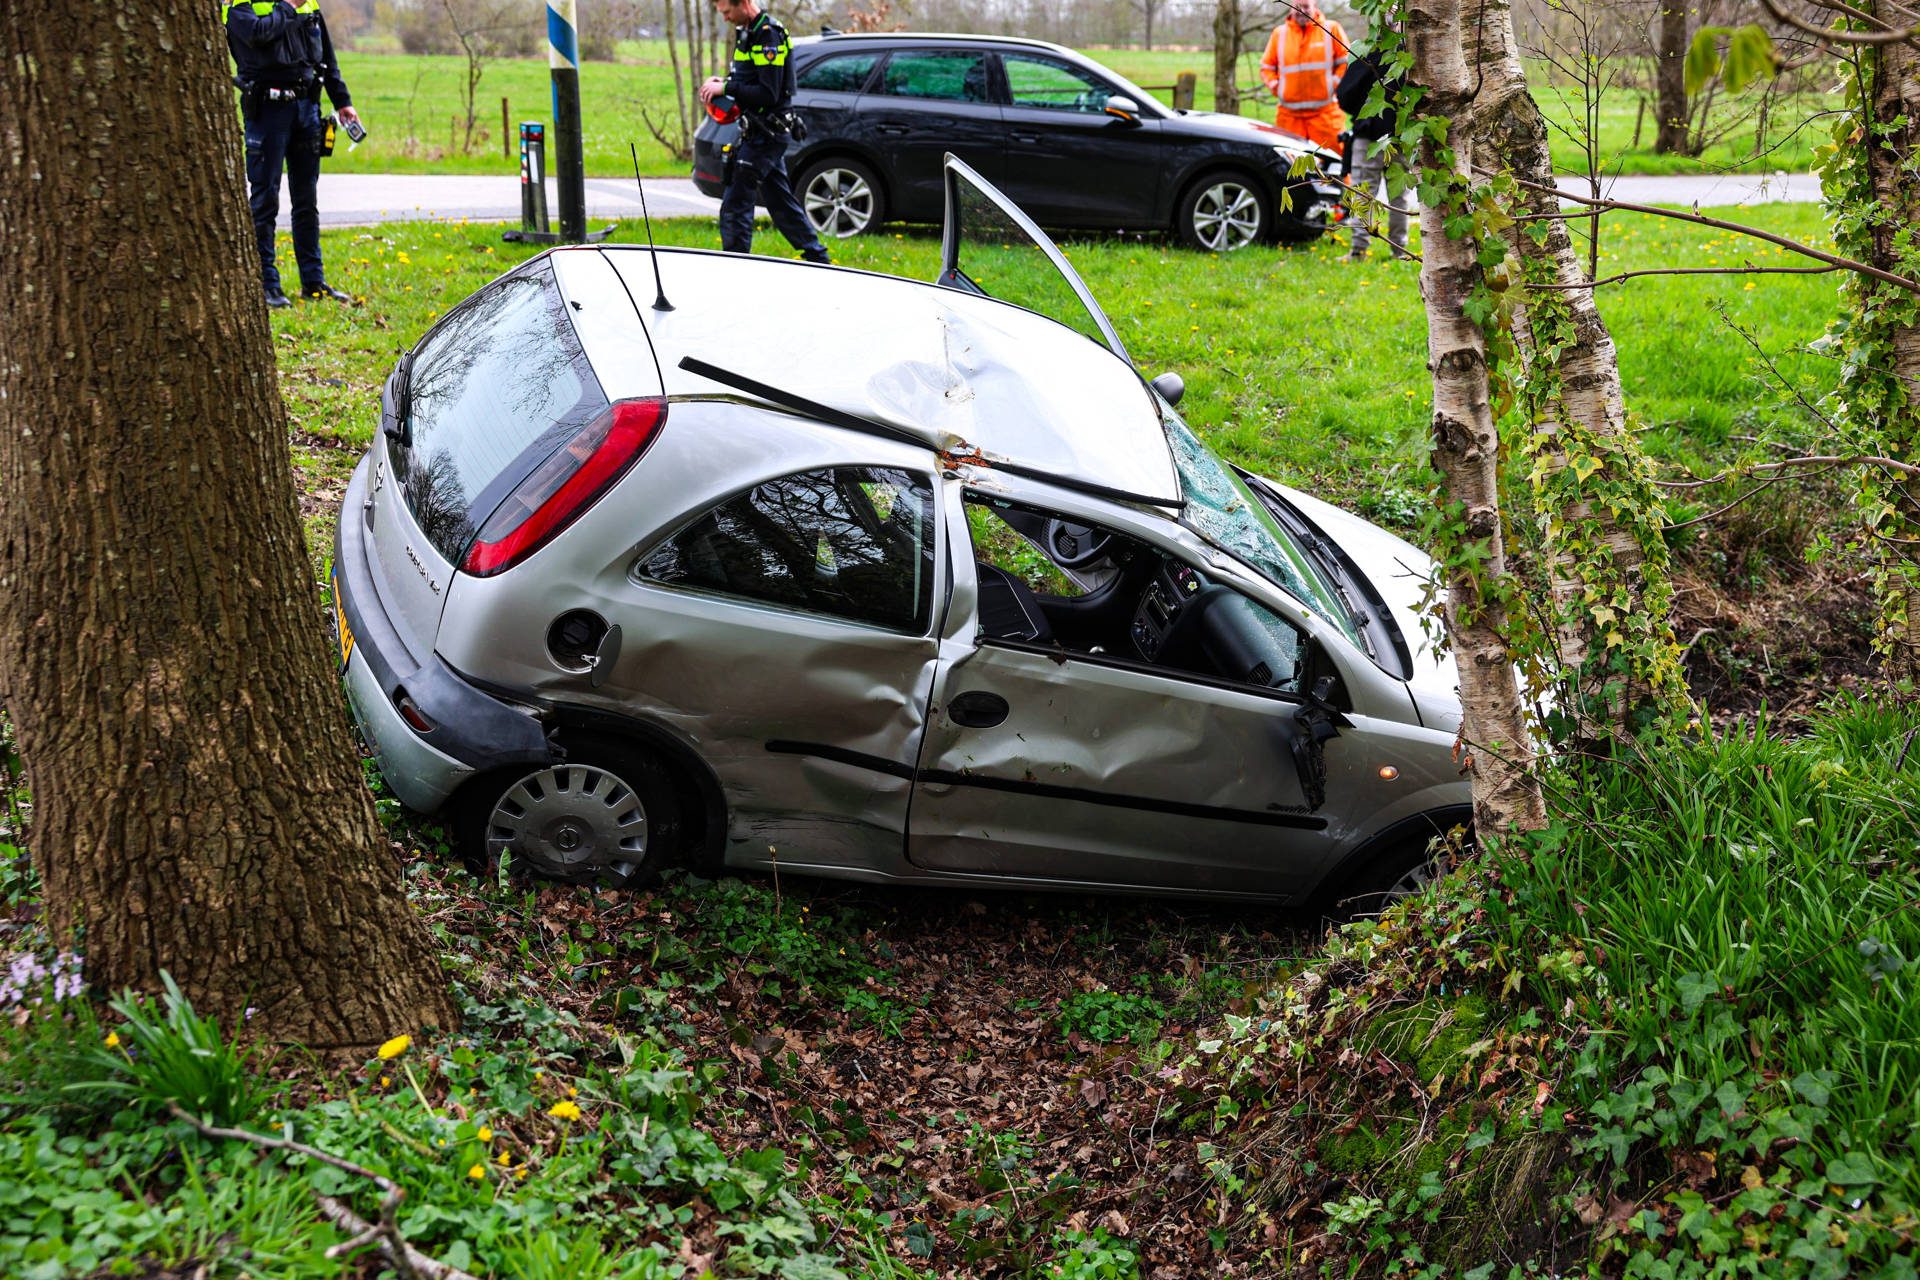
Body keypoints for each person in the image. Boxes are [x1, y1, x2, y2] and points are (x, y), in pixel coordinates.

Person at [225, 0, 360, 309]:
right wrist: (287, 6)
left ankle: (313, 282)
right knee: (265, 199)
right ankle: (266, 284)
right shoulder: (241, 4)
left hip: (306, 109)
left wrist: (342, 101)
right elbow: (256, 35)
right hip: (267, 110)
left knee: (306, 201)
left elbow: (326, 57)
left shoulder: (307, 4)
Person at [698, 0, 832, 264]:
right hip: (760, 132)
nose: (725, 18)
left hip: (767, 134)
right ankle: (819, 260)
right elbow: (748, 78)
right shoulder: (749, 31)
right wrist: (723, 82)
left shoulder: (768, 35)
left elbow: (768, 93)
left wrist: (726, 88)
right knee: (781, 203)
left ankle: (735, 267)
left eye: (727, 12)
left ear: (744, 3)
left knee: (736, 203)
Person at [1335, 35, 1410, 261]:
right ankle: (1401, 252)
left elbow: (1344, 96)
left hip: (1368, 134)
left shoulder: (1365, 52)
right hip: (1400, 134)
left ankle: (1358, 251)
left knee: (1362, 193)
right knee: (1399, 195)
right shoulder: (1408, 53)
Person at [1260, 0, 1350, 153]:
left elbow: (1346, 62)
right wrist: (1277, 87)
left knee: (1336, 163)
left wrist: (1333, 84)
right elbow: (1267, 67)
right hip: (1289, 117)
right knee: (1289, 167)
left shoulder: (1331, 29)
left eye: (1305, 6)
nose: (1300, 10)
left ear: (1314, 6)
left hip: (1325, 115)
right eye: (1296, 7)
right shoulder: (1279, 34)